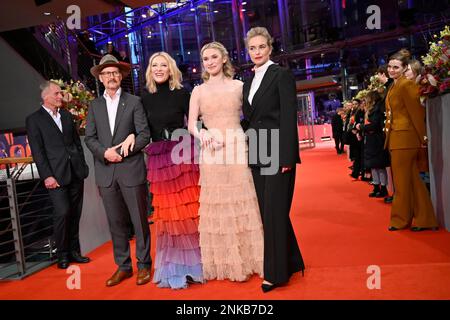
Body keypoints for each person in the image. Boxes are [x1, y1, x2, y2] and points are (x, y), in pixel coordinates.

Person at [188, 41, 264, 282]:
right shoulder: (198, 91)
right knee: (219, 204)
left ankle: (252, 259)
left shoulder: (239, 86)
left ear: (223, 59)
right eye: (205, 59)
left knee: (242, 198)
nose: (209, 62)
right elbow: (191, 125)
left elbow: (254, 117)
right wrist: (204, 133)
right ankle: (226, 263)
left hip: (237, 146)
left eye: (213, 57)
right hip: (211, 151)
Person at [242, 27, 305, 292]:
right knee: (270, 213)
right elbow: (249, 119)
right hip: (257, 151)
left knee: (274, 212)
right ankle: (292, 261)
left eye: (261, 47)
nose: (257, 52)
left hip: (278, 151)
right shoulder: (248, 81)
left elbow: (289, 116)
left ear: (270, 48)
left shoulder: (281, 75)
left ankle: (276, 274)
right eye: (252, 48)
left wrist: (287, 155)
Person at [85, 54, 152, 286]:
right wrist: (104, 153)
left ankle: (144, 265)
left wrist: (122, 152)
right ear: (101, 78)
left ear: (121, 76)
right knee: (116, 223)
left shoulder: (134, 101)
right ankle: (123, 266)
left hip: (131, 169)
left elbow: (144, 135)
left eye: (115, 73)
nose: (111, 77)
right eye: (106, 73)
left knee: (139, 220)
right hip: (106, 172)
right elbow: (90, 138)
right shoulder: (94, 105)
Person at [142, 52, 203, 289]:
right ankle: (175, 268)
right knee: (168, 215)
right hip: (159, 159)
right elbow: (142, 129)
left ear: (171, 69)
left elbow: (195, 124)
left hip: (183, 153)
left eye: (163, 65)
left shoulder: (182, 94)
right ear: (150, 70)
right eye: (154, 65)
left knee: (189, 211)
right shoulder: (145, 98)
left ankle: (197, 265)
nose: (158, 69)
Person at [26, 81, 90, 269]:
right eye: (57, 94)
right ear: (45, 97)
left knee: (75, 213)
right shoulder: (34, 119)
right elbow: (38, 151)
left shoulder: (67, 115)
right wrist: (47, 175)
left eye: (60, 93)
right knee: (63, 212)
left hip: (76, 172)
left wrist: (82, 164)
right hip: (55, 175)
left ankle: (74, 251)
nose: (60, 96)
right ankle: (62, 254)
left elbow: (76, 143)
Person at [384, 50, 438, 232]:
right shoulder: (395, 85)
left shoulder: (405, 85)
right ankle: (426, 220)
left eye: (396, 67)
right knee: (413, 181)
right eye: (390, 66)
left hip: (405, 140)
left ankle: (400, 220)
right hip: (398, 139)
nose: (391, 70)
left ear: (405, 68)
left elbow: (416, 112)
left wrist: (423, 137)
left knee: (402, 183)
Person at [358, 90, 389, 197]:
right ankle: (376, 186)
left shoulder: (378, 109)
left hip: (377, 140)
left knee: (379, 165)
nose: (365, 101)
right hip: (371, 140)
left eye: (367, 99)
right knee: (373, 165)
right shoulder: (372, 110)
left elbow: (375, 125)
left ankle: (383, 188)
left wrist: (361, 127)